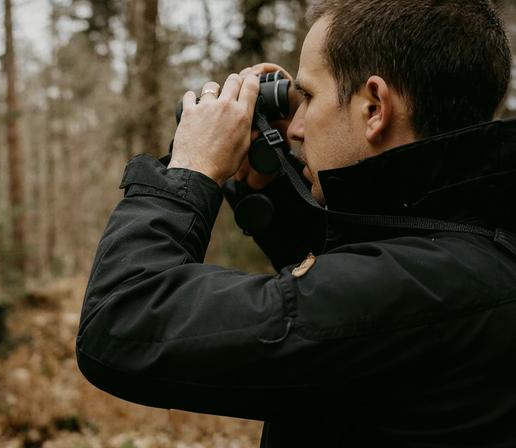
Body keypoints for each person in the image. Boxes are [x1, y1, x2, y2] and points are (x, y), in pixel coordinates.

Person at [76, 0, 516, 446]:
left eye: (308, 96)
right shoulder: (466, 250)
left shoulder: (422, 288)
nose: (295, 128)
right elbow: (345, 298)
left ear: (375, 108)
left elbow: (122, 322)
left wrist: (189, 172)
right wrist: (271, 187)